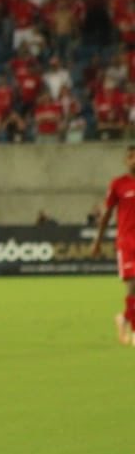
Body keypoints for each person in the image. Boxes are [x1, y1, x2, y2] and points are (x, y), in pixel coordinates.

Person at [89, 145, 135, 345]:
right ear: (126, 161)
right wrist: (97, 241)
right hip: (127, 242)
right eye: (131, 156)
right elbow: (107, 215)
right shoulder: (118, 184)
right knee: (133, 286)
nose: (134, 159)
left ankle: (124, 318)